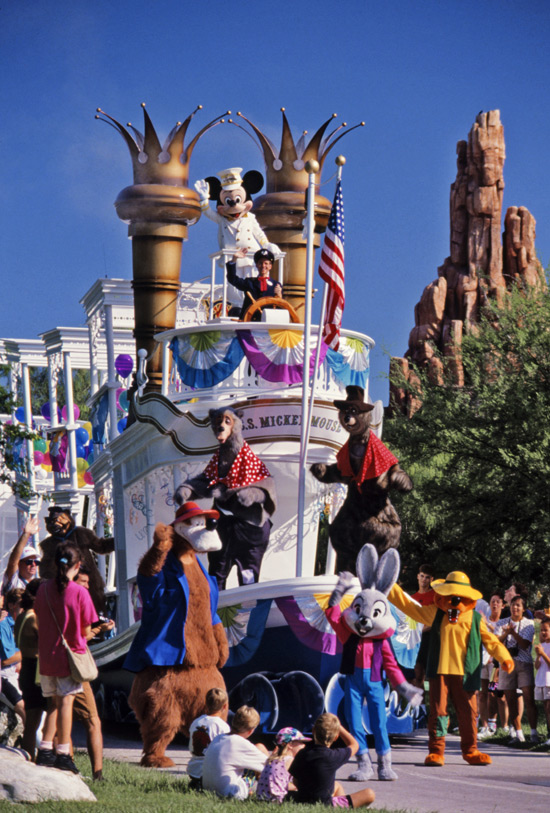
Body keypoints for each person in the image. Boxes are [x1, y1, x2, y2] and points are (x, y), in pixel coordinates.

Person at [33, 542, 97, 773]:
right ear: (77, 566)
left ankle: (45, 749)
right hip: (69, 658)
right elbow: (85, 631)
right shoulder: (80, 592)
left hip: (47, 657)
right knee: (66, 703)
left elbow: (39, 620)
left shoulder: (42, 590)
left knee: (53, 704)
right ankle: (62, 752)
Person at [70, 567, 114, 781]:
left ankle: (67, 766)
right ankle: (98, 774)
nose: (87, 586)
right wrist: (99, 630)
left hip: (53, 665)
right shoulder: (75, 601)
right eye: (83, 582)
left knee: (59, 718)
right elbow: (80, 637)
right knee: (92, 720)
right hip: (75, 666)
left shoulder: (55, 597)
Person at [289, 713, 375, 809]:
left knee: (336, 785)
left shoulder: (302, 753)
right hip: (326, 804)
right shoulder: (333, 755)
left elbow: (295, 781)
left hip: (302, 800)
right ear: (336, 737)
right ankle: (341, 809)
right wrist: (339, 727)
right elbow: (354, 744)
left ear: (313, 731)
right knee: (369, 794)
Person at [39, 506, 114, 613]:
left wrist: (117, 541)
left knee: (96, 614)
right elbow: (46, 571)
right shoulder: (49, 545)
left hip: (90, 585)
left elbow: (101, 546)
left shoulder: (80, 533)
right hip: (67, 589)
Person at [495, 594, 539, 743]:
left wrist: (512, 633)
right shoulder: (502, 622)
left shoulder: (529, 623)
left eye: (518, 605)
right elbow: (495, 642)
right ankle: (518, 734)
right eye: (513, 604)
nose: (515, 607)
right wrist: (506, 633)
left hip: (523, 663)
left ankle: (533, 733)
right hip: (506, 663)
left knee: (529, 698)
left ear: (523, 609)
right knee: (510, 699)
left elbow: (525, 644)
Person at [202, 705, 269, 799]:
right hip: (230, 793)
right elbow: (270, 766)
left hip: (207, 788)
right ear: (251, 731)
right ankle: (270, 791)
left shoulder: (218, 738)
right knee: (260, 747)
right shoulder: (241, 743)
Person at [13, 579, 46, 759]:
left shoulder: (21, 617)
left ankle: (29, 757)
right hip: (36, 669)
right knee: (51, 713)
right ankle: (49, 754)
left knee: (31, 723)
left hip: (26, 667)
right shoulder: (34, 618)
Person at [187, 687, 230, 790]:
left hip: (193, 770)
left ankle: (197, 784)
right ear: (225, 706)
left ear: (205, 704)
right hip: (211, 772)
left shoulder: (196, 722)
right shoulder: (223, 726)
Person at [477, 591, 508, 738]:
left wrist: (486, 623)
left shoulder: (503, 623)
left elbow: (497, 639)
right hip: (482, 661)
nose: (495, 604)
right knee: (482, 694)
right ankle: (484, 726)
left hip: (495, 664)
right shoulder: (482, 622)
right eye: (492, 601)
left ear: (502, 605)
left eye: (498, 601)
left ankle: (500, 725)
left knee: (494, 693)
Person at [256, 727, 310, 803]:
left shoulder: (271, 759)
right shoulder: (290, 760)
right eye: (301, 742)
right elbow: (299, 783)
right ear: (290, 744)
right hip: (277, 799)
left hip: (262, 797)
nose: (304, 745)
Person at [226, 247, 283, 319]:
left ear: (270, 266)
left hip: (268, 322)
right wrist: (234, 259)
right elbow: (232, 279)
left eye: (266, 263)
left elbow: (280, 307)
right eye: (260, 263)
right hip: (250, 321)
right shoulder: (249, 282)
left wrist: (279, 296)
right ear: (256, 265)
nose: (263, 266)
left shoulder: (276, 285)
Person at [0, 588, 26, 727]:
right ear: (11, 605)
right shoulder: (3, 624)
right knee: (25, 709)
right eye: (22, 604)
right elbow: (6, 660)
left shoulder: (22, 623)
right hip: (4, 676)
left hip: (17, 674)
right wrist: (33, 650)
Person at [410, 563, 435, 688]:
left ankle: (433, 702)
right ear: (417, 576)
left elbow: (436, 620)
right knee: (418, 675)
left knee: (432, 677)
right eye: (422, 576)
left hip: (431, 638)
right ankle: (419, 700)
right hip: (416, 639)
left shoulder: (435, 596)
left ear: (431, 579)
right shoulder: (412, 598)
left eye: (427, 577)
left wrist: (423, 629)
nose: (424, 579)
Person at [1, 516, 40, 594]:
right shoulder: (14, 580)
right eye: (29, 562)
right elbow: (13, 562)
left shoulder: (38, 584)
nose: (33, 565)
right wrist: (26, 534)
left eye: (36, 562)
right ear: (19, 563)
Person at [534, 619, 550, 746]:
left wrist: (543, 654)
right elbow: (537, 666)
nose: (543, 632)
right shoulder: (542, 645)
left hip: (549, 681)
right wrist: (538, 655)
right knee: (546, 709)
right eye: (541, 630)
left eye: (546, 630)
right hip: (541, 680)